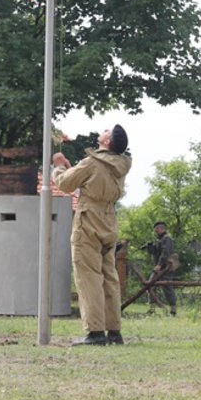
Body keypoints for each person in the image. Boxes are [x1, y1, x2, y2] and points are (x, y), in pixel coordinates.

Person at [52, 124, 132, 346]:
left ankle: (95, 331)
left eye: (107, 130)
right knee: (109, 277)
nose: (104, 129)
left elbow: (65, 184)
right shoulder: (121, 165)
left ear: (107, 142)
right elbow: (88, 180)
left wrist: (58, 167)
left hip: (88, 220)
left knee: (88, 277)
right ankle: (114, 332)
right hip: (109, 220)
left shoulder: (93, 162)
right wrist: (71, 169)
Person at [149, 221, 178, 315]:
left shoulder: (167, 238)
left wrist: (159, 265)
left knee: (167, 287)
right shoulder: (160, 239)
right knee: (150, 285)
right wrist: (150, 247)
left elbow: (165, 253)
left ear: (162, 228)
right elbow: (156, 252)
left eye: (157, 229)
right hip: (159, 267)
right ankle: (152, 308)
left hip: (166, 267)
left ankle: (173, 310)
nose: (155, 231)